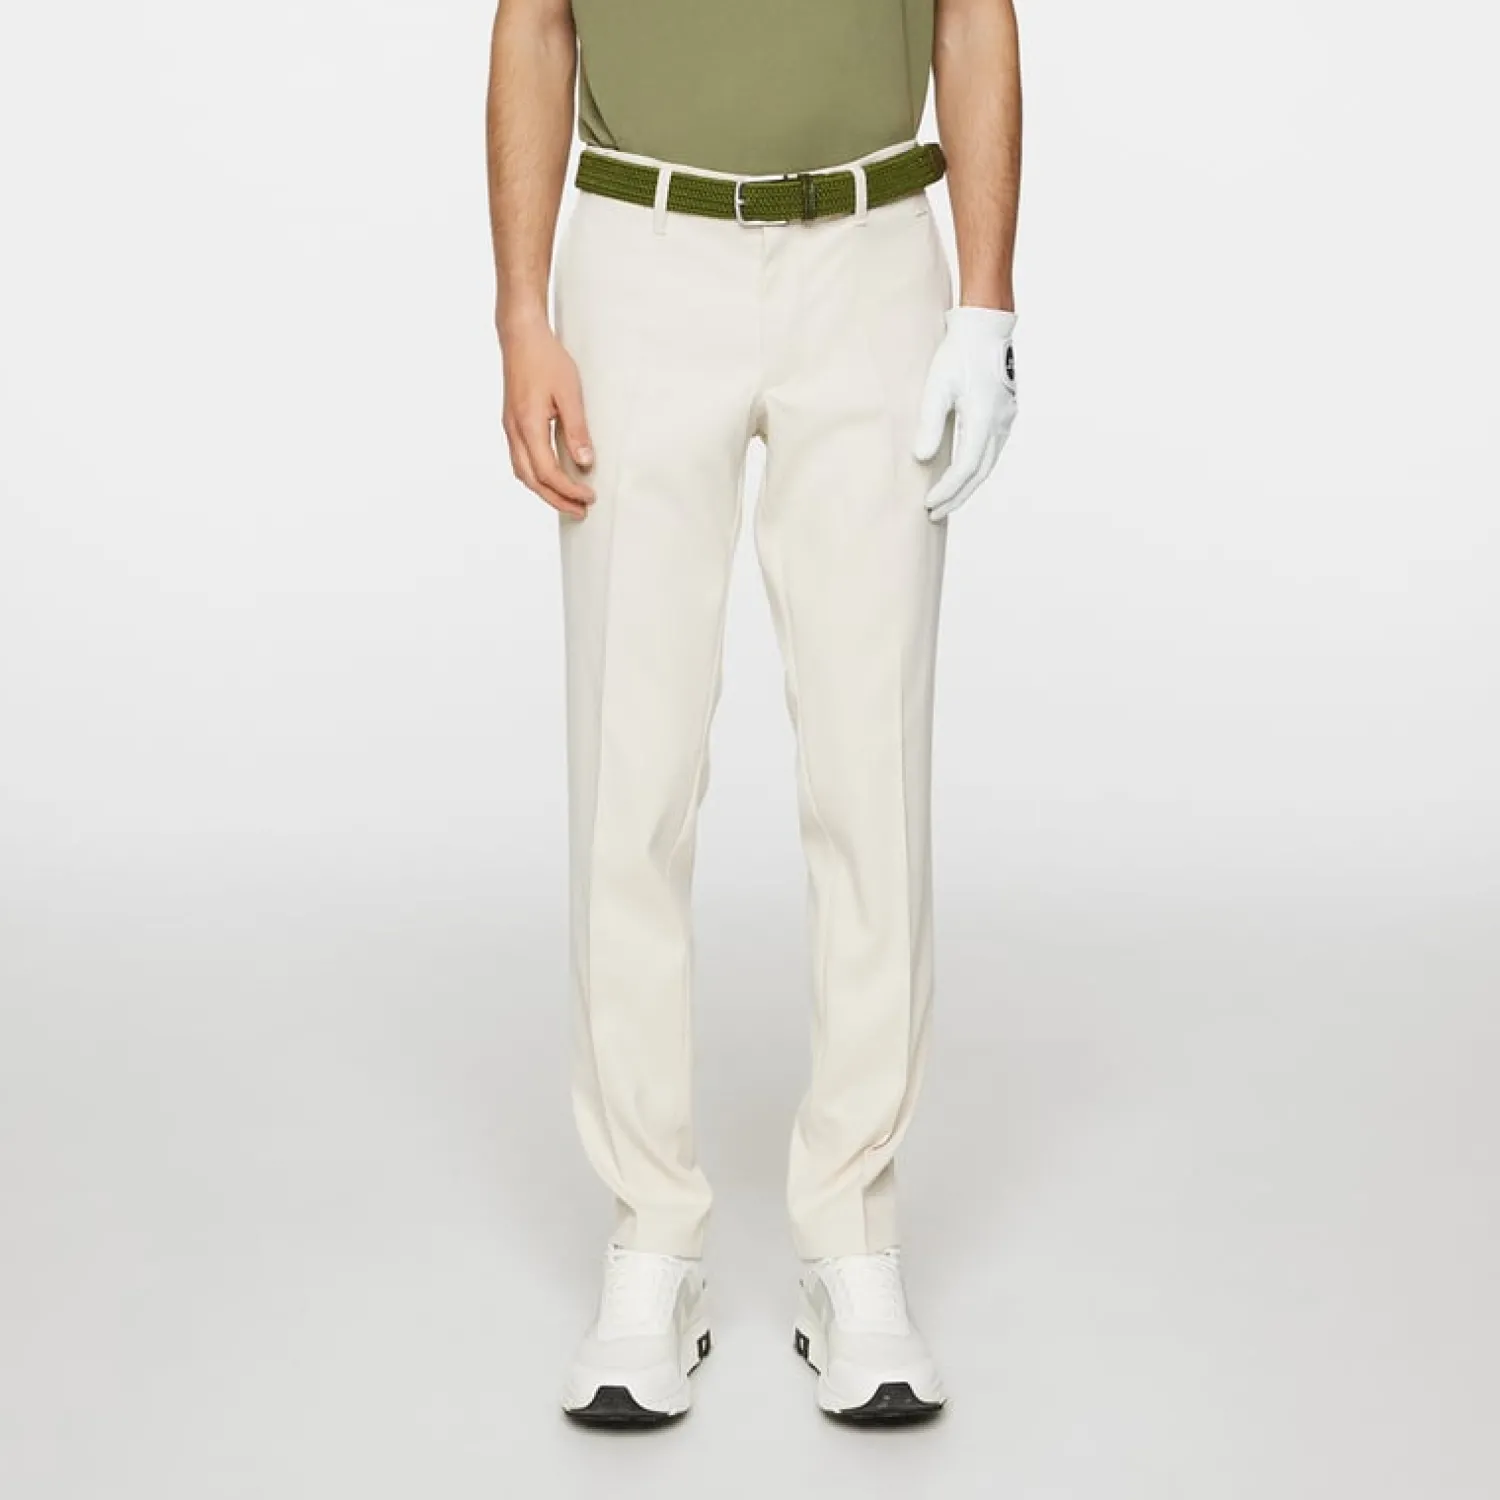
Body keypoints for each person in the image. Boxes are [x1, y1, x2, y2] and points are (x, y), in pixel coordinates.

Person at [485, 0, 1021, 1428]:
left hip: (872, 257)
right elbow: (534, 21)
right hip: (642, 255)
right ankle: (651, 1241)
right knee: (633, 771)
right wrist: (523, 312)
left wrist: (986, 307)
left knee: (870, 770)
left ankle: (853, 1241)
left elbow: (974, 13)